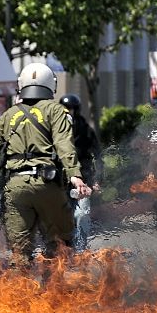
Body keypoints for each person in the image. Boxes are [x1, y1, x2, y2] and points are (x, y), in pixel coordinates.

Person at [0, 62, 90, 264]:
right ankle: (53, 292)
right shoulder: (56, 111)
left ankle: (20, 294)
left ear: (22, 85)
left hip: (15, 187)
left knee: (19, 255)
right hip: (47, 185)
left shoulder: (8, 115)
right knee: (59, 246)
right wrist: (75, 175)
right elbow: (64, 145)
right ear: (50, 85)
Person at [60, 94, 101, 251]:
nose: (69, 113)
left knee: (82, 215)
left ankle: (81, 250)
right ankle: (63, 249)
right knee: (61, 217)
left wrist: (98, 179)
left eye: (71, 110)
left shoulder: (85, 130)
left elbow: (98, 155)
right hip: (60, 181)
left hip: (83, 181)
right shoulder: (54, 130)